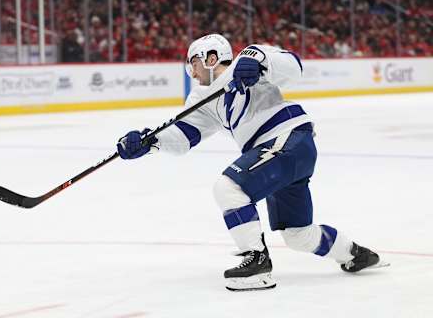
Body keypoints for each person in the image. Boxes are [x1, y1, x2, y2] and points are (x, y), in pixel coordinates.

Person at [116, 34, 383, 291]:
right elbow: (185, 136)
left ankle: (257, 260)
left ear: (211, 58)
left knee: (229, 187)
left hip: (286, 138)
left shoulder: (247, 60)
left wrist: (261, 61)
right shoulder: (201, 99)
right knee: (298, 235)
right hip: (279, 155)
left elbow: (293, 68)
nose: (191, 72)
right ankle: (355, 254)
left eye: (193, 63)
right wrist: (150, 142)